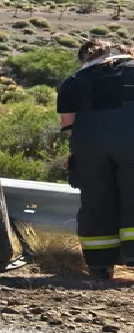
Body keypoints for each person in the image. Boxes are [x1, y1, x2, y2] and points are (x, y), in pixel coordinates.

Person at [57, 38, 134, 279]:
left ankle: (100, 265)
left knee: (96, 203)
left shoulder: (74, 81)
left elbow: (68, 125)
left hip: (89, 145)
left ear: (85, 58)